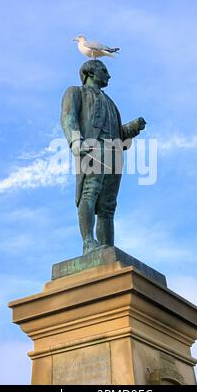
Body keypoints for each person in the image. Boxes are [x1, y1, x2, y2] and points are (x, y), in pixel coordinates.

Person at [61, 60, 146, 254]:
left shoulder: (111, 104)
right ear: (90, 72)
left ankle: (107, 247)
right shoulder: (75, 92)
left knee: (108, 204)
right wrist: (75, 141)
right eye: (104, 71)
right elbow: (68, 117)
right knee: (90, 192)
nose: (108, 75)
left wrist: (133, 127)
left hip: (114, 152)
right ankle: (88, 242)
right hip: (91, 146)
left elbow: (119, 132)